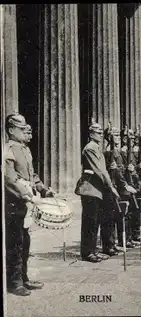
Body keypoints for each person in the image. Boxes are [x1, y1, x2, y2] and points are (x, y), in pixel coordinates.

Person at [5, 114, 55, 296]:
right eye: (20, 128)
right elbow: (9, 179)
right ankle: (14, 282)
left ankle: (23, 278)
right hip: (14, 203)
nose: (24, 131)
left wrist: (43, 189)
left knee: (25, 242)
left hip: (25, 203)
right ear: (11, 130)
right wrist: (27, 195)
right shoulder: (8, 149)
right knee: (15, 244)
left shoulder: (24, 149)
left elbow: (31, 175)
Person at [75, 122, 121, 262]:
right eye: (97, 132)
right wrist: (111, 187)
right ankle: (88, 252)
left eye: (101, 132)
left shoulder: (96, 148)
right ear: (90, 134)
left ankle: (93, 250)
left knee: (95, 222)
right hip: (90, 189)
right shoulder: (90, 148)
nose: (101, 135)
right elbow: (100, 170)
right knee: (90, 222)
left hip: (96, 189)